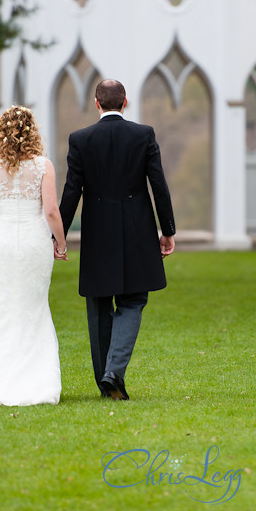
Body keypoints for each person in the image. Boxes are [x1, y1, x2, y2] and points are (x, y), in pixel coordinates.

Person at [58, 79, 176, 401]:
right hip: (137, 228)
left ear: (96, 104)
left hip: (97, 231)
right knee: (133, 301)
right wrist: (167, 230)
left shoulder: (80, 139)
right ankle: (114, 373)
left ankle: (106, 381)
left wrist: (59, 236)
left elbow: (72, 192)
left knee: (98, 305)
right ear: (125, 102)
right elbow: (159, 186)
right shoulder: (143, 135)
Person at [0, 105, 69, 407]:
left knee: (5, 305)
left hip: (5, 241)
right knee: (33, 306)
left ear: (1, 131)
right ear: (31, 130)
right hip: (34, 241)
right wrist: (60, 243)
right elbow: (50, 210)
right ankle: (36, 381)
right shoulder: (43, 165)